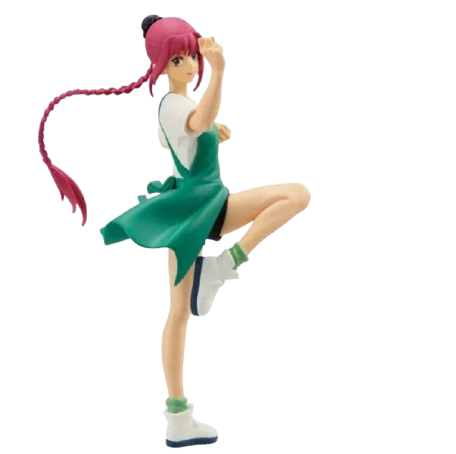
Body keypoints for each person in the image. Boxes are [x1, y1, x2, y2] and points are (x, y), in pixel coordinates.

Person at [36, 14, 312, 449]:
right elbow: (198, 121)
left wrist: (215, 131)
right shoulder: (175, 105)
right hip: (206, 207)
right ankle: (225, 264)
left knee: (179, 313)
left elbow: (191, 134)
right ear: (161, 65)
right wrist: (219, 73)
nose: (189, 65)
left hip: (196, 209)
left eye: (191, 56)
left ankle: (178, 415)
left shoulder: (175, 106)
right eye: (178, 58)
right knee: (297, 194)